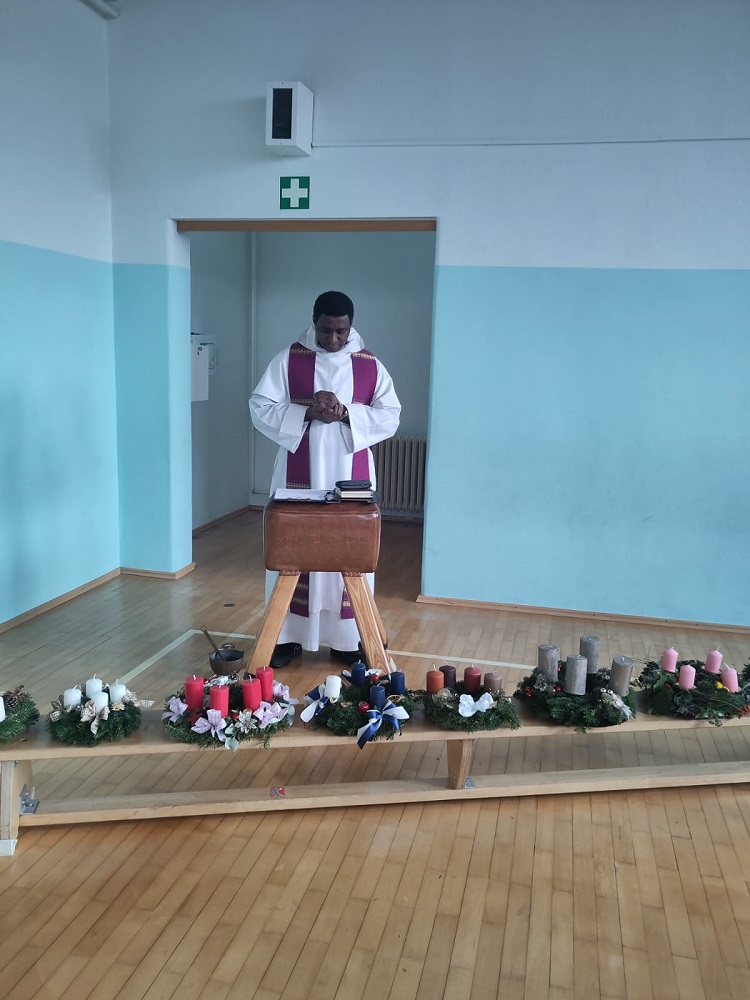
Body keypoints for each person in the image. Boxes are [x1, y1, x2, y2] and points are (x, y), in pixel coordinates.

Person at [249, 291, 401, 667]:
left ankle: (347, 640)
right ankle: (285, 637)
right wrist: (306, 413)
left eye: (340, 331)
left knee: (348, 549)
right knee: (293, 548)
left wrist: (347, 413)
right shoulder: (289, 359)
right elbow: (260, 406)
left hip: (350, 470)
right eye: (325, 330)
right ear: (314, 322)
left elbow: (390, 414)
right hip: (299, 473)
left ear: (351, 326)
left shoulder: (369, 365)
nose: (333, 339)